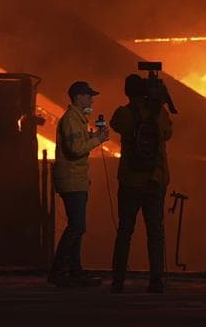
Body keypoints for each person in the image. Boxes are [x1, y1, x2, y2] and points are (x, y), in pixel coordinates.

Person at [109, 73, 173, 293]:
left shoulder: (124, 114)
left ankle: (118, 280)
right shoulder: (160, 114)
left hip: (130, 182)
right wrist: (156, 103)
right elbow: (168, 133)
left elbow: (114, 124)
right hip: (154, 181)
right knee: (155, 231)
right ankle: (155, 280)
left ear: (127, 92)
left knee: (125, 230)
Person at [47, 80, 108, 287]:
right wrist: (97, 140)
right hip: (72, 180)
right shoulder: (72, 120)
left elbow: (77, 144)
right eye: (89, 95)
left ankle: (74, 271)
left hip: (76, 180)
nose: (91, 99)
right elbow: (75, 149)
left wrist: (91, 137)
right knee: (77, 227)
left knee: (77, 228)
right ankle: (58, 271)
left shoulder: (78, 120)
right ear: (79, 97)